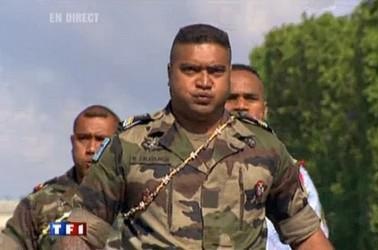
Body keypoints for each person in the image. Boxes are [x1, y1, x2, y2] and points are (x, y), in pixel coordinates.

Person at [54, 24, 333, 249]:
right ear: (169, 74)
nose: (203, 82)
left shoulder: (264, 146)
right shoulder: (128, 145)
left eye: (215, 71)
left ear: (227, 76)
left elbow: (305, 232)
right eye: (190, 70)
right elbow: (81, 224)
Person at [225, 63, 329, 249]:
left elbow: (312, 240)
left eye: (250, 98)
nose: (241, 106)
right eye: (231, 98)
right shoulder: (191, 166)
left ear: (264, 110)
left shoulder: (293, 174)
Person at [0, 105, 120, 249]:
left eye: (101, 140)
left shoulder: (140, 200)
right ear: (72, 141)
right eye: (83, 138)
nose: (91, 149)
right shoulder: (39, 204)